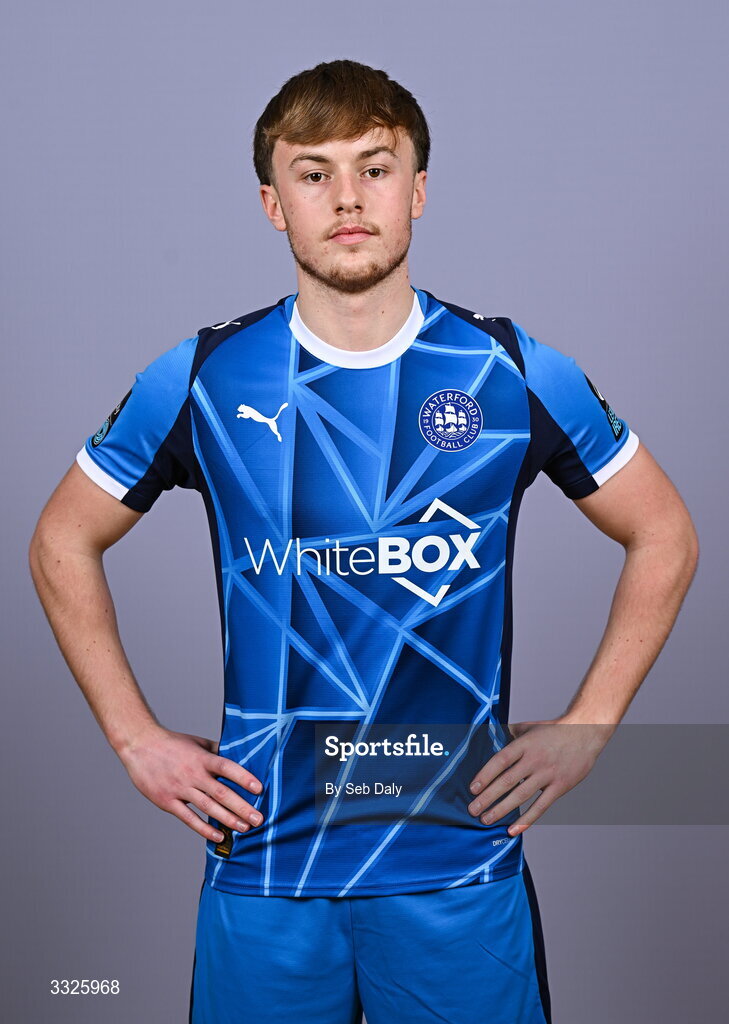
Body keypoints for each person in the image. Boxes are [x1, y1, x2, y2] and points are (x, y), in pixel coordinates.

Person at [29, 59, 698, 1024]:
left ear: (417, 189)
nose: (346, 198)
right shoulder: (203, 378)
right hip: (266, 868)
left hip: (455, 866)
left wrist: (588, 730)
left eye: (375, 167)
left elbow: (663, 533)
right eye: (313, 172)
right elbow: (61, 540)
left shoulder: (508, 372)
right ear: (273, 203)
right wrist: (134, 740)